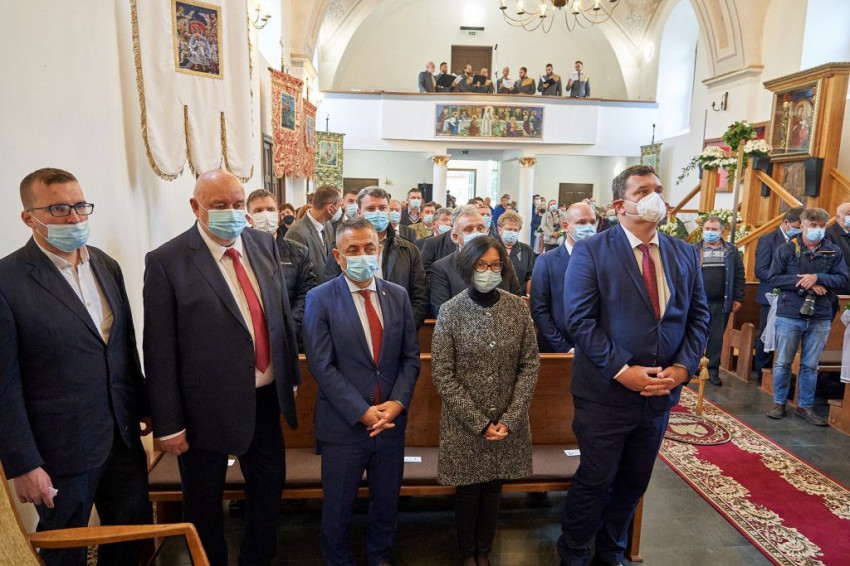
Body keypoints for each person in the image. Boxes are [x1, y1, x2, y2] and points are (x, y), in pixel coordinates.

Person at [144, 169, 301, 566]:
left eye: (237, 203)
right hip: (204, 407)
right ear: (195, 207)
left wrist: (290, 377)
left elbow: (280, 316)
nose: (231, 212)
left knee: (268, 488)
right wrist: (169, 424)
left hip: (264, 397)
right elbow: (159, 349)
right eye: (219, 205)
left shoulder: (262, 243)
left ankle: (256, 560)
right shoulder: (167, 261)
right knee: (204, 501)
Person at [558, 165, 710, 566]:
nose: (654, 196)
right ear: (619, 204)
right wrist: (623, 371)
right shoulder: (593, 251)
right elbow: (580, 321)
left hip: (659, 393)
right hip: (605, 393)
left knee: (633, 484)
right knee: (595, 482)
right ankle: (573, 554)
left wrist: (682, 369)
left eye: (657, 189)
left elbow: (698, 317)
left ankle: (611, 553)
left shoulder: (682, 252)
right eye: (643, 190)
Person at [0, 168, 151, 566]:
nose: (74, 217)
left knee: (130, 539)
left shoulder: (106, 265)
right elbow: (4, 384)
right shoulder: (7, 281)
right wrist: (23, 464)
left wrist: (143, 406)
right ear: (28, 218)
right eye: (59, 209)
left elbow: (123, 348)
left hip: (121, 438)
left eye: (80, 205)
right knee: (65, 551)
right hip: (59, 450)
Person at [303, 217, 420, 566]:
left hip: (390, 423)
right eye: (353, 250)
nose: (362, 255)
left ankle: (379, 556)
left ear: (379, 249)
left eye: (369, 248)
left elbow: (410, 358)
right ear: (338, 256)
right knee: (338, 508)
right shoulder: (320, 298)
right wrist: (362, 411)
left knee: (386, 503)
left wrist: (397, 403)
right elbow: (321, 365)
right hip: (345, 425)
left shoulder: (397, 295)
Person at [431, 236, 539, 566]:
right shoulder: (450, 311)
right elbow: (442, 374)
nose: (488, 271)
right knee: (467, 491)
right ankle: (468, 553)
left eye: (495, 265)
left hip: (507, 420)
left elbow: (530, 365)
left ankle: (484, 552)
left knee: (494, 489)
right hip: (464, 424)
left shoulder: (517, 309)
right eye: (481, 265)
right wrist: (479, 422)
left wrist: (511, 417)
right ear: (468, 268)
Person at [766, 208, 848, 426]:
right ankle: (779, 402)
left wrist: (818, 278)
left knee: (810, 365)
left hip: (820, 314)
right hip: (790, 313)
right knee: (783, 362)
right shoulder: (786, 249)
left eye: (821, 226)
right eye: (813, 226)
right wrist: (805, 282)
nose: (817, 230)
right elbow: (773, 278)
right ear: (802, 226)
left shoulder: (834, 251)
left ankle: (805, 406)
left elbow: (842, 279)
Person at [326, 187, 429, 328]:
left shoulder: (408, 250)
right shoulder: (342, 247)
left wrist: (405, 328)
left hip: (398, 325)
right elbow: (331, 288)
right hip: (352, 325)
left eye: (382, 208)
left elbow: (420, 297)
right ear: (359, 212)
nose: (377, 213)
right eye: (371, 209)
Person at [247, 189, 318, 347]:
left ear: (277, 214)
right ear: (249, 217)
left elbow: (305, 294)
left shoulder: (299, 252)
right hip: (251, 339)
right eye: (258, 211)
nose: (265, 215)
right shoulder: (240, 252)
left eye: (270, 209)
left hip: (290, 337)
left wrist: (288, 329)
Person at [429, 205, 522, 316]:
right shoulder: (442, 268)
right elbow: (441, 312)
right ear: (456, 237)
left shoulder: (504, 262)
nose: (476, 233)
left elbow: (516, 302)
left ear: (487, 232)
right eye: (468, 229)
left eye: (480, 228)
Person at [530, 202, 596, 353]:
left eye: (592, 222)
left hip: (595, 348)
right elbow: (540, 310)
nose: (589, 227)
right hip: (557, 347)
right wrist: (564, 348)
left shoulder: (603, 259)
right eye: (581, 223)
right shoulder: (546, 261)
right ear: (566, 226)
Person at [753, 207, 803, 381]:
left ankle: (785, 375)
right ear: (786, 222)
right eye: (797, 226)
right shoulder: (768, 240)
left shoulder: (801, 241)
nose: (800, 230)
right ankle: (762, 373)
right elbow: (760, 270)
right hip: (771, 294)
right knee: (767, 334)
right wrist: (785, 281)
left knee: (788, 336)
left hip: (794, 296)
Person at [695, 216, 745, 387]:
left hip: (720, 303)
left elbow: (739, 275)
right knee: (695, 336)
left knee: (716, 339)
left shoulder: (731, 250)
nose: (710, 232)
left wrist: (738, 298)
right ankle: (693, 366)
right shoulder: (694, 249)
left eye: (714, 229)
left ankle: (712, 370)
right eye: (707, 229)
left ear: (721, 231)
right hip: (698, 303)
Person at [285, 184, 342, 284]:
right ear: (330, 208)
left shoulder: (328, 226)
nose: (341, 210)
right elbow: (293, 276)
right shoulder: (296, 233)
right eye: (339, 206)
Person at [421, 206, 466, 274]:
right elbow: (425, 271)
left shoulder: (464, 239)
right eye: (445, 220)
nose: (448, 223)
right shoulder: (431, 243)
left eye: (450, 220)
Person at [498, 211, 535, 293]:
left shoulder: (527, 250)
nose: (512, 232)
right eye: (509, 229)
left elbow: (530, 276)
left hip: (519, 295)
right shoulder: (491, 248)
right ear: (500, 230)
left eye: (515, 230)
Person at [825, 202, 850, 294]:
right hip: (840, 289)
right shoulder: (828, 235)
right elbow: (832, 263)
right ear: (838, 217)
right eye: (849, 213)